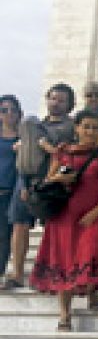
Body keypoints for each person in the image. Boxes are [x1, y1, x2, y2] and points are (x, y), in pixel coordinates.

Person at [29, 110, 98, 331]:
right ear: (76, 128)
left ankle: (91, 290)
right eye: (85, 126)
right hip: (64, 218)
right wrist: (61, 177)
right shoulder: (63, 153)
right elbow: (49, 179)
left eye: (95, 127)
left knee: (91, 252)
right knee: (64, 263)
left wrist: (96, 213)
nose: (90, 131)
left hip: (92, 216)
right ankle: (64, 314)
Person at [4, 83, 76, 290]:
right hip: (27, 177)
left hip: (51, 179)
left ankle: (49, 273)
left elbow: (60, 150)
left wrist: (38, 143)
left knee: (52, 227)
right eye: (53, 98)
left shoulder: (69, 126)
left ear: (70, 104)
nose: (56, 103)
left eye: (61, 100)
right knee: (20, 223)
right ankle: (16, 272)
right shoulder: (35, 126)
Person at [0, 95, 21, 279]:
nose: (9, 114)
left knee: (4, 235)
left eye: (13, 110)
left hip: (10, 192)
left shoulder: (22, 137)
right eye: (4, 110)